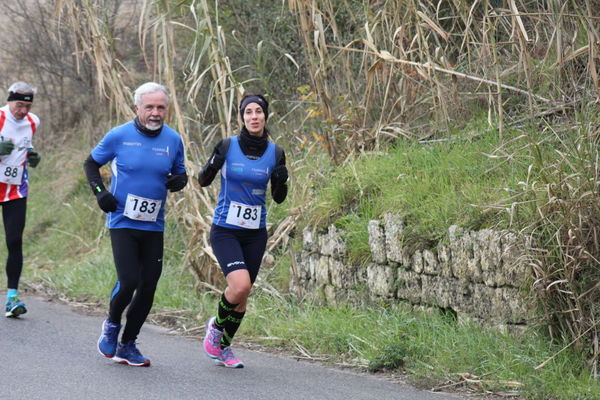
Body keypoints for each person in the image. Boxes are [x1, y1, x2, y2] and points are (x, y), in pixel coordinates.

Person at [84, 82, 187, 367]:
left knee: (149, 286)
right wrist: (100, 193)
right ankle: (112, 324)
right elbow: (91, 165)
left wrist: (180, 181)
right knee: (129, 280)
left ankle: (128, 344)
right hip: (122, 221)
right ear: (137, 108)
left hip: (153, 224)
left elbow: (180, 173)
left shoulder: (173, 139)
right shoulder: (119, 135)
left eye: (161, 107)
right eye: (150, 107)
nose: (155, 113)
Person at [198, 94, 288, 368]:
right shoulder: (227, 146)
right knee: (241, 285)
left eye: (258, 111)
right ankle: (215, 327)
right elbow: (203, 180)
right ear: (242, 117)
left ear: (265, 116)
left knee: (243, 295)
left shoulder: (276, 153)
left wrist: (282, 181)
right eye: (248, 112)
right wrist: (214, 162)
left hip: (255, 232)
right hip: (226, 229)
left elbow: (279, 197)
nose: (253, 116)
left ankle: (224, 349)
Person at [1, 81, 41, 318]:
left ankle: (12, 298)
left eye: (27, 106)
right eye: (18, 105)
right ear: (9, 100)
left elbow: (25, 146)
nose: (23, 111)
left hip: (15, 190)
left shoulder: (33, 122)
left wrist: (32, 156)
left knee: (14, 240)